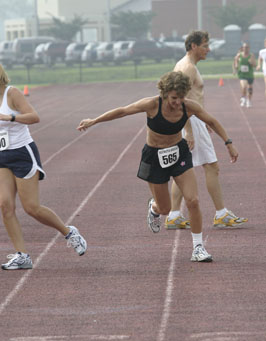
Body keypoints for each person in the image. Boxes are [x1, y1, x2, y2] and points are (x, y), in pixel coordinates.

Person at [77, 71, 239, 263]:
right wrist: (94, 121)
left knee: (193, 200)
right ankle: (154, 208)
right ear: (164, 93)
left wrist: (229, 143)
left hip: (179, 153)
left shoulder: (188, 107)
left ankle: (198, 247)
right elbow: (122, 111)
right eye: (173, 98)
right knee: (165, 208)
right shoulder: (152, 104)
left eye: (181, 97)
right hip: (154, 157)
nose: (177, 102)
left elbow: (212, 121)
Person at [0, 64, 87, 270]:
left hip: (22, 154)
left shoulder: (11, 94)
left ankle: (68, 231)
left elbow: (34, 117)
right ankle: (22, 255)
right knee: (5, 206)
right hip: (2, 156)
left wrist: (9, 117)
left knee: (31, 208)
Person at [165, 31, 248, 231]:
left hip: (194, 121)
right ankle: (221, 214)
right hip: (190, 121)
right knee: (211, 166)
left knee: (182, 169)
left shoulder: (186, 65)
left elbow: (191, 98)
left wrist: (205, 122)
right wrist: (190, 130)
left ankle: (174, 215)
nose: (208, 49)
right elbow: (178, 100)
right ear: (193, 46)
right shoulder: (187, 68)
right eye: (205, 45)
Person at [234, 42, 256, 108]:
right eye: (244, 47)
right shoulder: (239, 55)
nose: (245, 49)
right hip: (242, 74)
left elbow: (254, 65)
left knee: (250, 89)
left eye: (247, 47)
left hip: (249, 75)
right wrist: (236, 65)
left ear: (249, 48)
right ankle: (243, 97)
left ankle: (248, 101)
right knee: (244, 86)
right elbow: (235, 60)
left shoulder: (251, 55)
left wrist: (251, 62)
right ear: (242, 48)